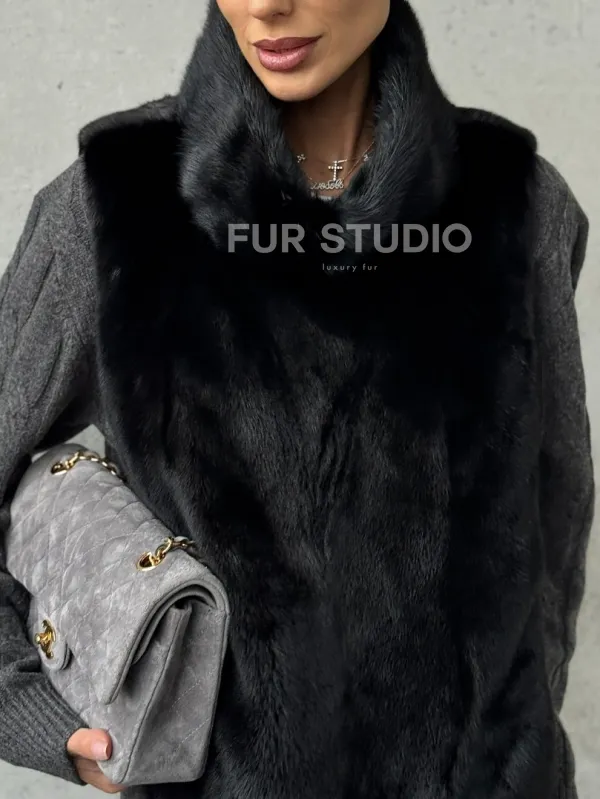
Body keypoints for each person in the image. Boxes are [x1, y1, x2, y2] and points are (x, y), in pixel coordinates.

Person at [0, 0, 594, 797]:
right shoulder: (115, 203)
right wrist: (35, 711)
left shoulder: (515, 201)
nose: (267, 5)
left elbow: (558, 504)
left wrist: (516, 732)